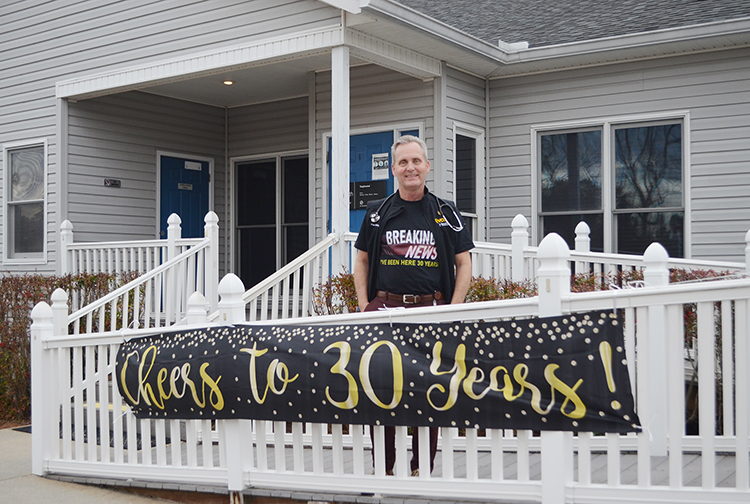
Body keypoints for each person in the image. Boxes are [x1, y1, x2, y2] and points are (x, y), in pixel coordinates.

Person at [353, 135, 474, 475]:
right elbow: (361, 261)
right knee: (381, 390)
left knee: (427, 389)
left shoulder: (445, 212)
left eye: (416, 161)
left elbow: (464, 264)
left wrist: (452, 309)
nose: (410, 168)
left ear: (427, 166)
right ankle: (385, 469)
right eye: (403, 162)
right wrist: (365, 306)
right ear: (394, 169)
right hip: (385, 311)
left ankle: (421, 468)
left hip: (430, 311)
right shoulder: (378, 213)